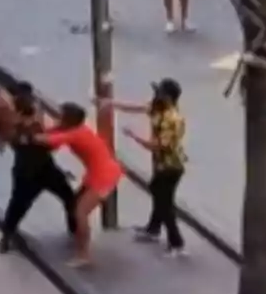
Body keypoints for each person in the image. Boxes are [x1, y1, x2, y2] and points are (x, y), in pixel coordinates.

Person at [103, 79, 189, 256]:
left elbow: (156, 146)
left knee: (164, 203)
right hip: (162, 165)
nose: (155, 95)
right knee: (159, 194)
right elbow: (136, 107)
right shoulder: (159, 108)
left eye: (160, 93)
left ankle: (177, 243)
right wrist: (111, 103)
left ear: (169, 97)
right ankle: (153, 229)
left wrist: (133, 135)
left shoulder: (171, 119)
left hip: (171, 167)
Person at [0, 83, 79, 254]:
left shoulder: (14, 124)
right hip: (42, 169)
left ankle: (6, 237)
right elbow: (44, 143)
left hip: (27, 171)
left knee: (18, 205)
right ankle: (75, 231)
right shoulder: (27, 124)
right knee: (67, 197)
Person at [34, 102, 123, 268]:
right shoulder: (78, 130)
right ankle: (79, 240)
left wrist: (32, 133)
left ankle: (84, 254)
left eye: (60, 116)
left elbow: (47, 140)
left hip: (103, 177)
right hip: (98, 173)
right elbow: (54, 142)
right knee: (75, 205)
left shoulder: (76, 134)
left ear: (68, 119)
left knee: (80, 212)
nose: (57, 118)